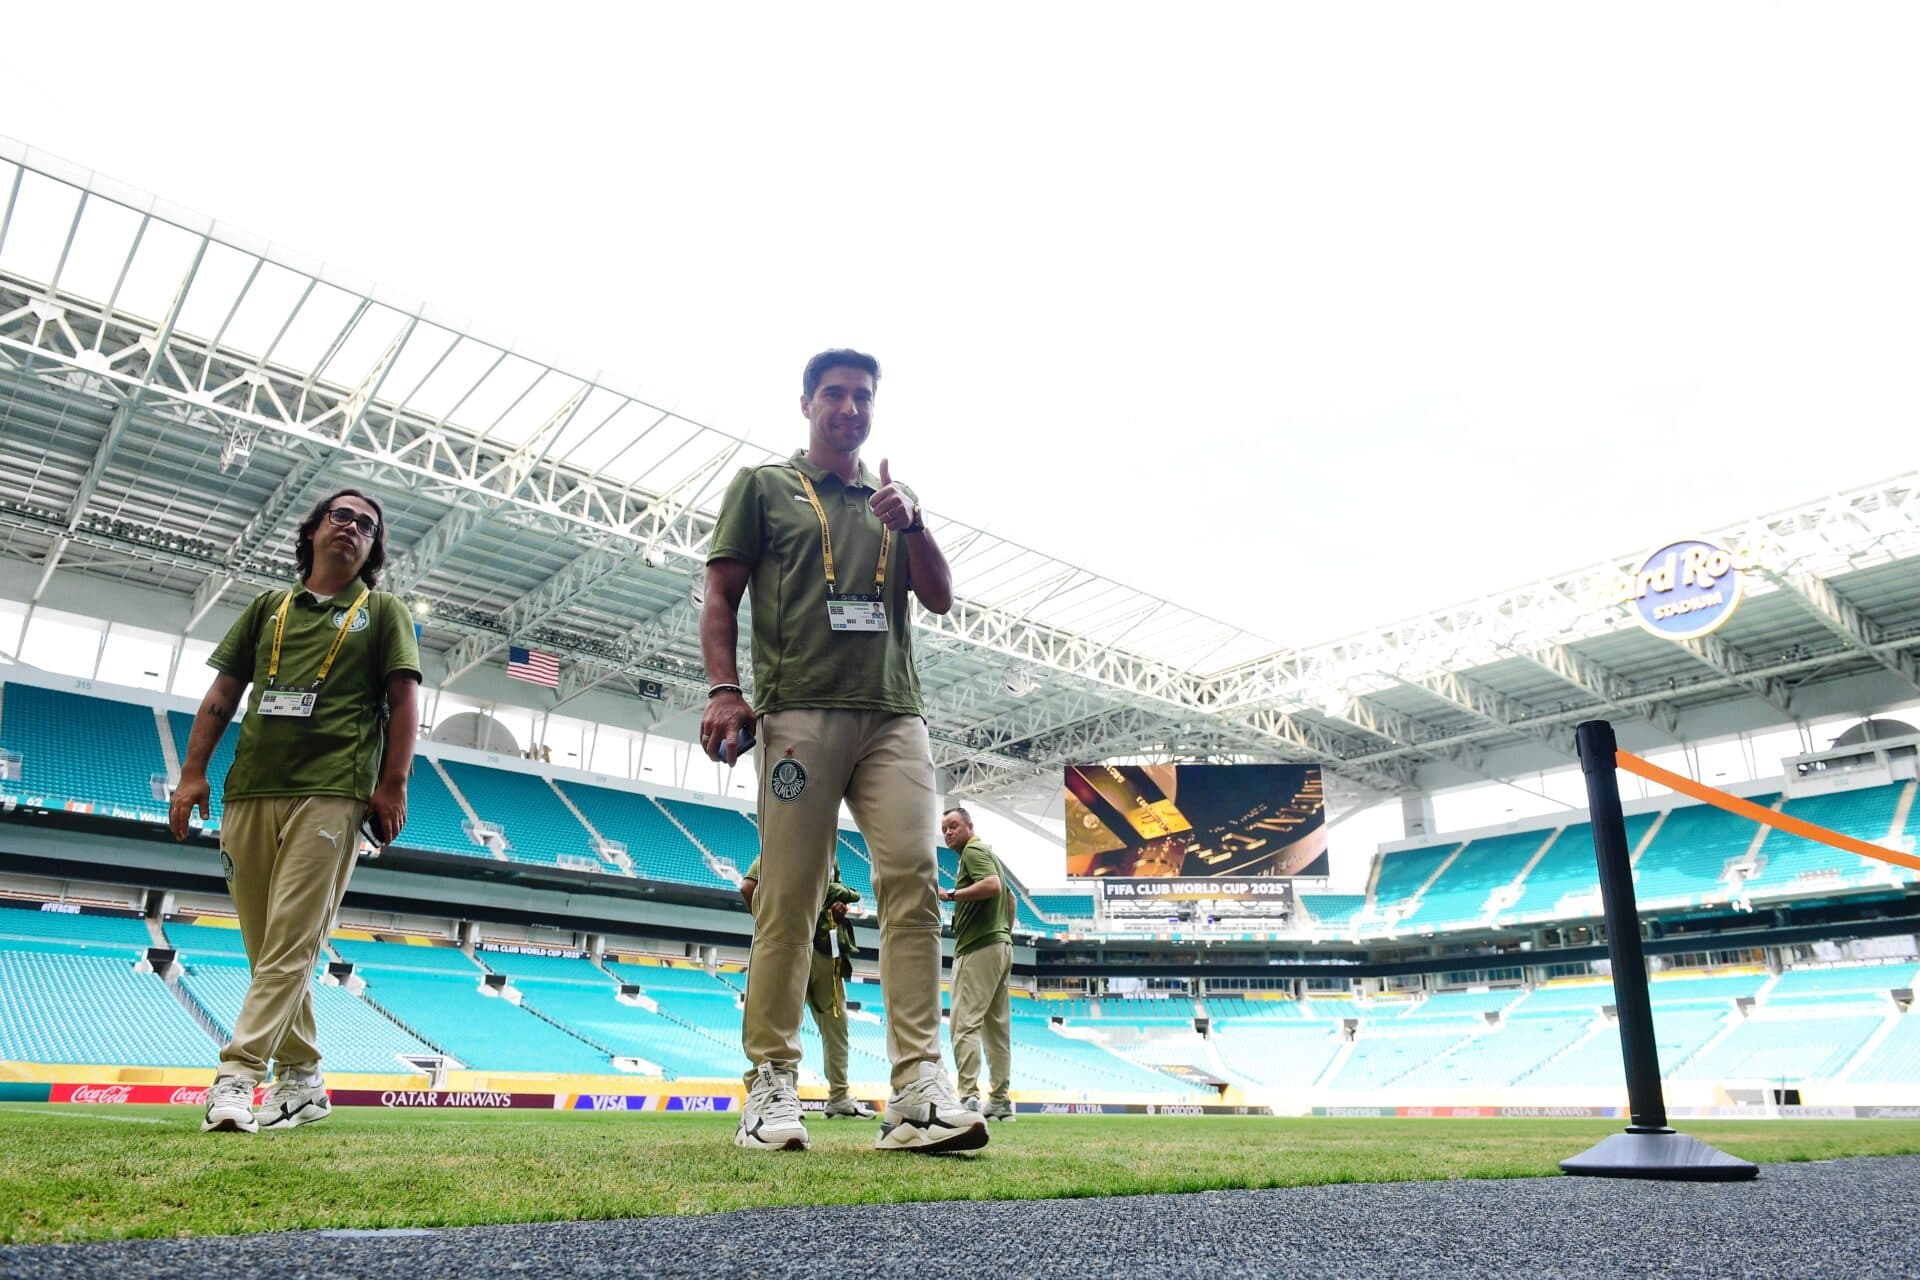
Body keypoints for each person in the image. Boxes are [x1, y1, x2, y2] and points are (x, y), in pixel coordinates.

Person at [701, 348, 985, 1155]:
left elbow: (938, 596)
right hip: (799, 711)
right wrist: (725, 689)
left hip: (894, 713)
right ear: (806, 404)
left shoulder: (894, 499)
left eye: (862, 395)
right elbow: (719, 593)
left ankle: (918, 1089)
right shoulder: (762, 487)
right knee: (789, 896)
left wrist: (916, 523)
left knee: (914, 881)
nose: (849, 406)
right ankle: (770, 1082)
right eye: (834, 393)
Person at [169, 489, 421, 1134]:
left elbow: (404, 701)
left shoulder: (383, 612)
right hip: (249, 788)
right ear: (311, 531)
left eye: (368, 526)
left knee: (290, 942)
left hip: (334, 790)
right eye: (342, 516)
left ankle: (237, 1077)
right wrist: (192, 773)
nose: (354, 529)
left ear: (373, 549)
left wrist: (392, 784)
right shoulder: (266, 608)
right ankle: (303, 1080)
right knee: (268, 948)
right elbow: (223, 693)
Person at [739, 858, 875, 1119]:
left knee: (836, 1026)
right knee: (790, 1025)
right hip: (795, 948)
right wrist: (770, 929)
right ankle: (782, 1093)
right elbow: (748, 888)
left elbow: (834, 897)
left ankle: (837, 1098)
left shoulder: (832, 857)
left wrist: (837, 908)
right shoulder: (791, 840)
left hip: (825, 952)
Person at [939, 805, 1015, 1121]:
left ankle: (968, 1097)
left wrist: (950, 895)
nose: (947, 832)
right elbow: (1010, 899)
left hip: (978, 947)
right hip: (1000, 946)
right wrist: (1004, 933)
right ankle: (999, 1102)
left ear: (970, 826)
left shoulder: (973, 852)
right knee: (996, 1030)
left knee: (963, 1024)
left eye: (954, 825)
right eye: (944, 828)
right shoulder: (989, 854)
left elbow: (993, 887)